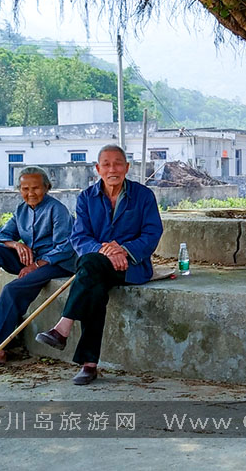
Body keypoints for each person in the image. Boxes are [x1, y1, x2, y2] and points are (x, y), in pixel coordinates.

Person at [35, 144, 163, 385]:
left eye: (117, 163)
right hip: (96, 263)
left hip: (131, 266)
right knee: (94, 283)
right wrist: (104, 250)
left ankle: (64, 329)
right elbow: (79, 237)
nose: (112, 168)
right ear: (98, 168)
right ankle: (89, 364)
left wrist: (123, 250)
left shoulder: (143, 195)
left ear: (127, 167)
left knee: (90, 272)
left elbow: (152, 233)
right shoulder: (86, 197)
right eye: (106, 164)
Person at [0, 166, 75, 368]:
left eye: (36, 188)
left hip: (58, 262)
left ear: (47, 187)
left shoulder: (57, 210)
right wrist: (16, 244)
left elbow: (65, 247)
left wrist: (37, 265)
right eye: (25, 189)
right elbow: (0, 237)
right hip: (33, 258)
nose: (30, 193)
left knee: (13, 288)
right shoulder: (21, 210)